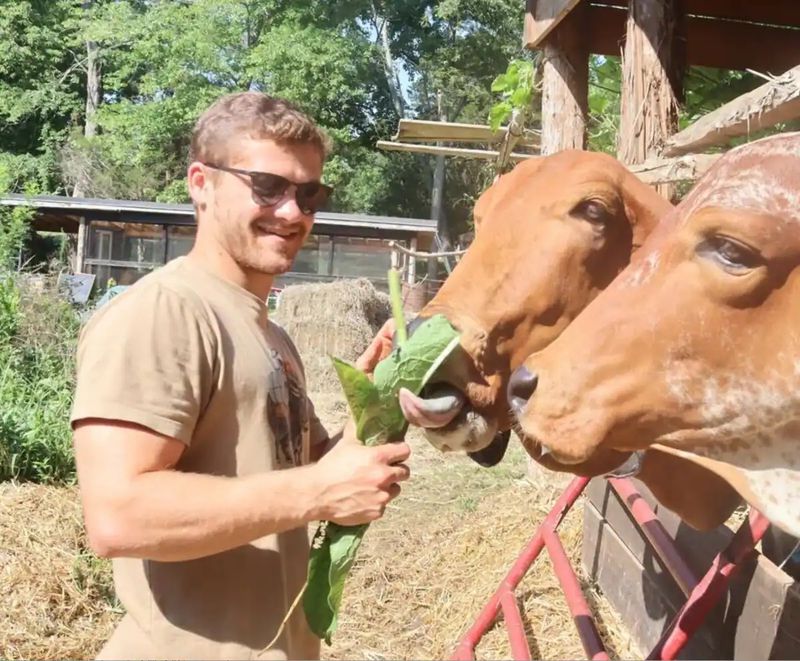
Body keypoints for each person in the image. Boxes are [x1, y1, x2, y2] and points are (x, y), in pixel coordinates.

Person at [70, 92, 411, 661]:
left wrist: (367, 418)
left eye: (309, 193)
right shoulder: (164, 313)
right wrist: (320, 491)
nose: (293, 211)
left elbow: (297, 472)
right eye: (268, 186)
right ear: (201, 183)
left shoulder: (269, 332)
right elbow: (117, 514)